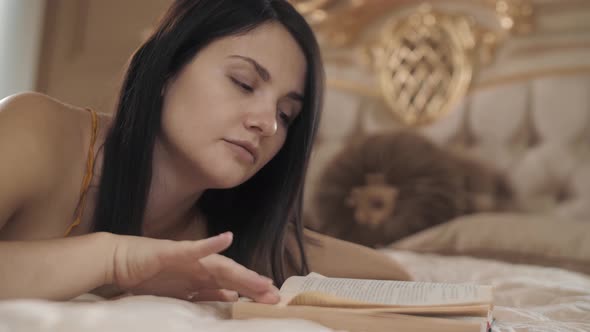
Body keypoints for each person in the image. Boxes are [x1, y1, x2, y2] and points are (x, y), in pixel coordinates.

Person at [0, 0, 410, 302]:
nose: (266, 124)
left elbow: (394, 278)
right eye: (244, 83)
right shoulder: (37, 132)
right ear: (165, 69)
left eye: (286, 115)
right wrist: (116, 259)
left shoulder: (229, 239)